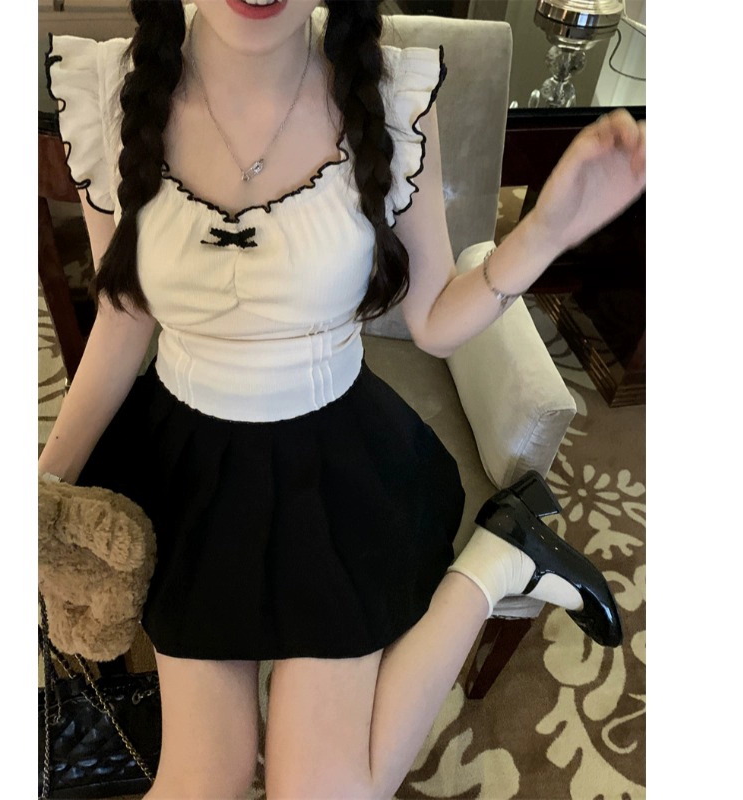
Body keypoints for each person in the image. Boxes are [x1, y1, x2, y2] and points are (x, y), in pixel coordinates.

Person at [40, 1, 646, 797]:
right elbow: (123, 318)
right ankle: (507, 552)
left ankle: (498, 561)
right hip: (183, 468)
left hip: (332, 464)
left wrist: (545, 234)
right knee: (200, 782)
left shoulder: (386, 95)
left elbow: (434, 321)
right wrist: (44, 487)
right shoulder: (109, 90)